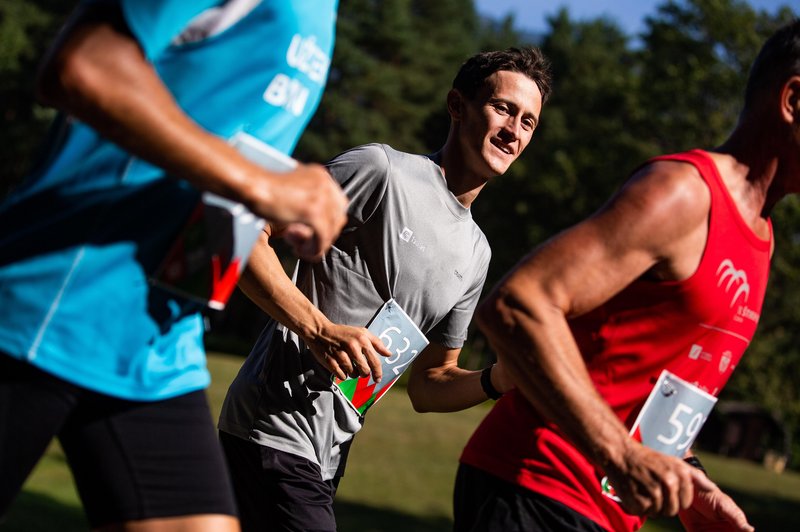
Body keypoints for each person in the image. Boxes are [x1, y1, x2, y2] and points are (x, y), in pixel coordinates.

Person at [0, 1, 347, 530]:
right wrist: (263, 186)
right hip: (47, 306)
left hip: (157, 341)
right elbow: (86, 64)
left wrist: (267, 203)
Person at [454, 19, 800, 532]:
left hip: (604, 512)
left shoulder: (762, 238)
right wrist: (620, 454)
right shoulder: (685, 194)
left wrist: (689, 484)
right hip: (534, 486)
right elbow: (517, 306)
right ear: (793, 100)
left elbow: (644, 385)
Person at [217, 47, 552, 531]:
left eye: (527, 122)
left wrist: (499, 379)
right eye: (503, 108)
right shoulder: (381, 170)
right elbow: (246, 234)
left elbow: (429, 383)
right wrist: (319, 329)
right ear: (457, 105)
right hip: (271, 428)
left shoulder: (477, 252)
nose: (513, 131)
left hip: (328, 457)